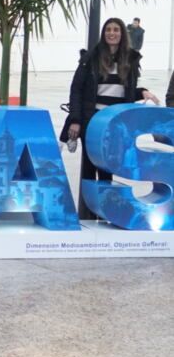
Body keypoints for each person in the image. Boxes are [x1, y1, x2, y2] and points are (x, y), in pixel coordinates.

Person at [67, 17, 156, 219]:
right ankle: (88, 216)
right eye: (108, 29)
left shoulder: (130, 60)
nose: (112, 33)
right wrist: (75, 119)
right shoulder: (91, 57)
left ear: (122, 34)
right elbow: (76, 90)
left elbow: (126, 92)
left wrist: (142, 92)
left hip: (114, 123)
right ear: (103, 33)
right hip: (93, 121)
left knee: (107, 168)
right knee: (90, 168)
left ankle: (105, 214)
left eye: (116, 29)